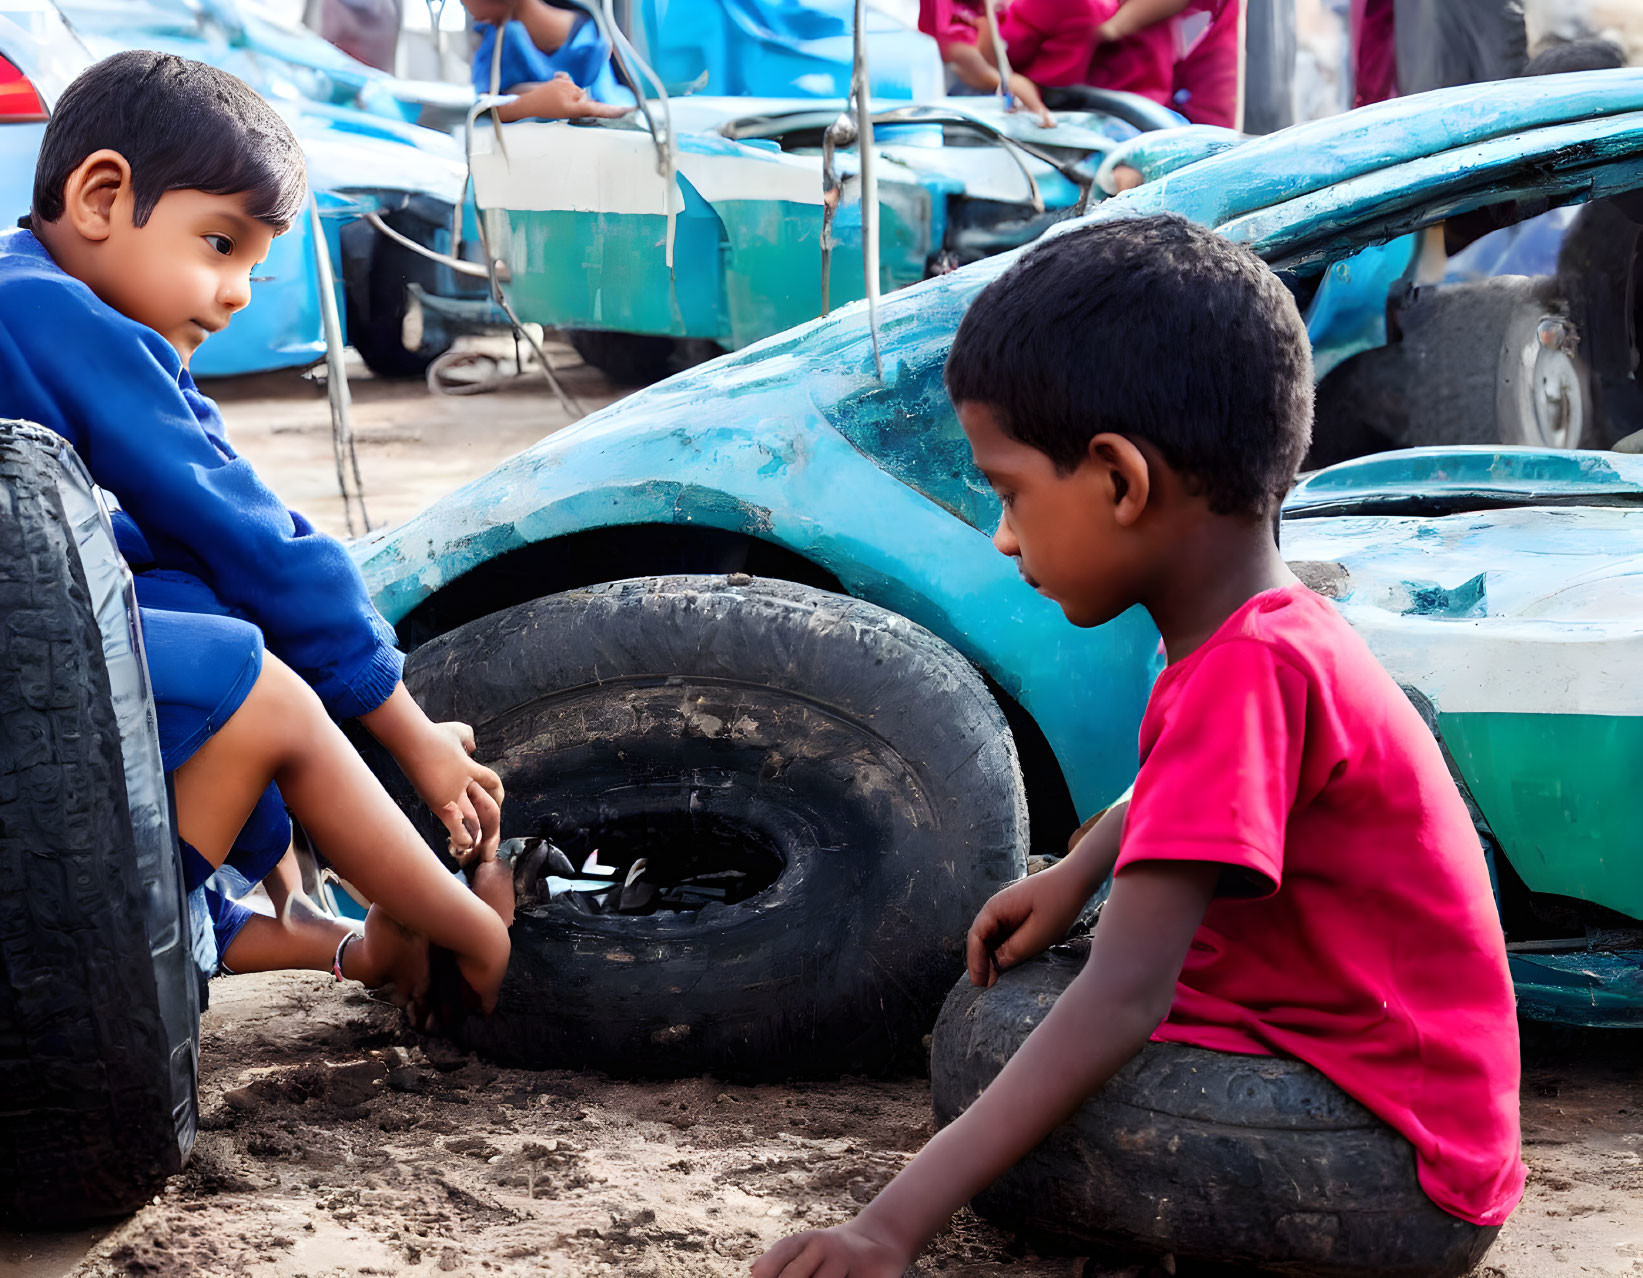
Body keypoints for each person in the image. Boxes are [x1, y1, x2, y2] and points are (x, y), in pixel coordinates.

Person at [752, 215, 1524, 1277]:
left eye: (1010, 490)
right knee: (1004, 1010)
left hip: (1388, 1164)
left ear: (1118, 480)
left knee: (995, 1041)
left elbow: (1124, 997)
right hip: (1395, 1106)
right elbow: (1196, 787)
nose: (1003, 534)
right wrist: (1077, 870)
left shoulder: (1242, 669)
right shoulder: (1263, 626)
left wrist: (886, 1225)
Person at [0, 50, 513, 1019]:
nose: (237, 291)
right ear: (103, 196)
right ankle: (472, 935)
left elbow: (198, 531)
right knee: (262, 688)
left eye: (255, 264)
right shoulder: (45, 308)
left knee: (198, 605)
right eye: (220, 243)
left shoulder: (35, 288)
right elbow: (244, 529)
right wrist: (409, 732)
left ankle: (288, 928)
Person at [461, 0, 634, 123]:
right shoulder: (502, 38)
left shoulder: (593, 38)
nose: (474, 17)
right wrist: (530, 102)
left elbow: (619, 107)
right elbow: (487, 105)